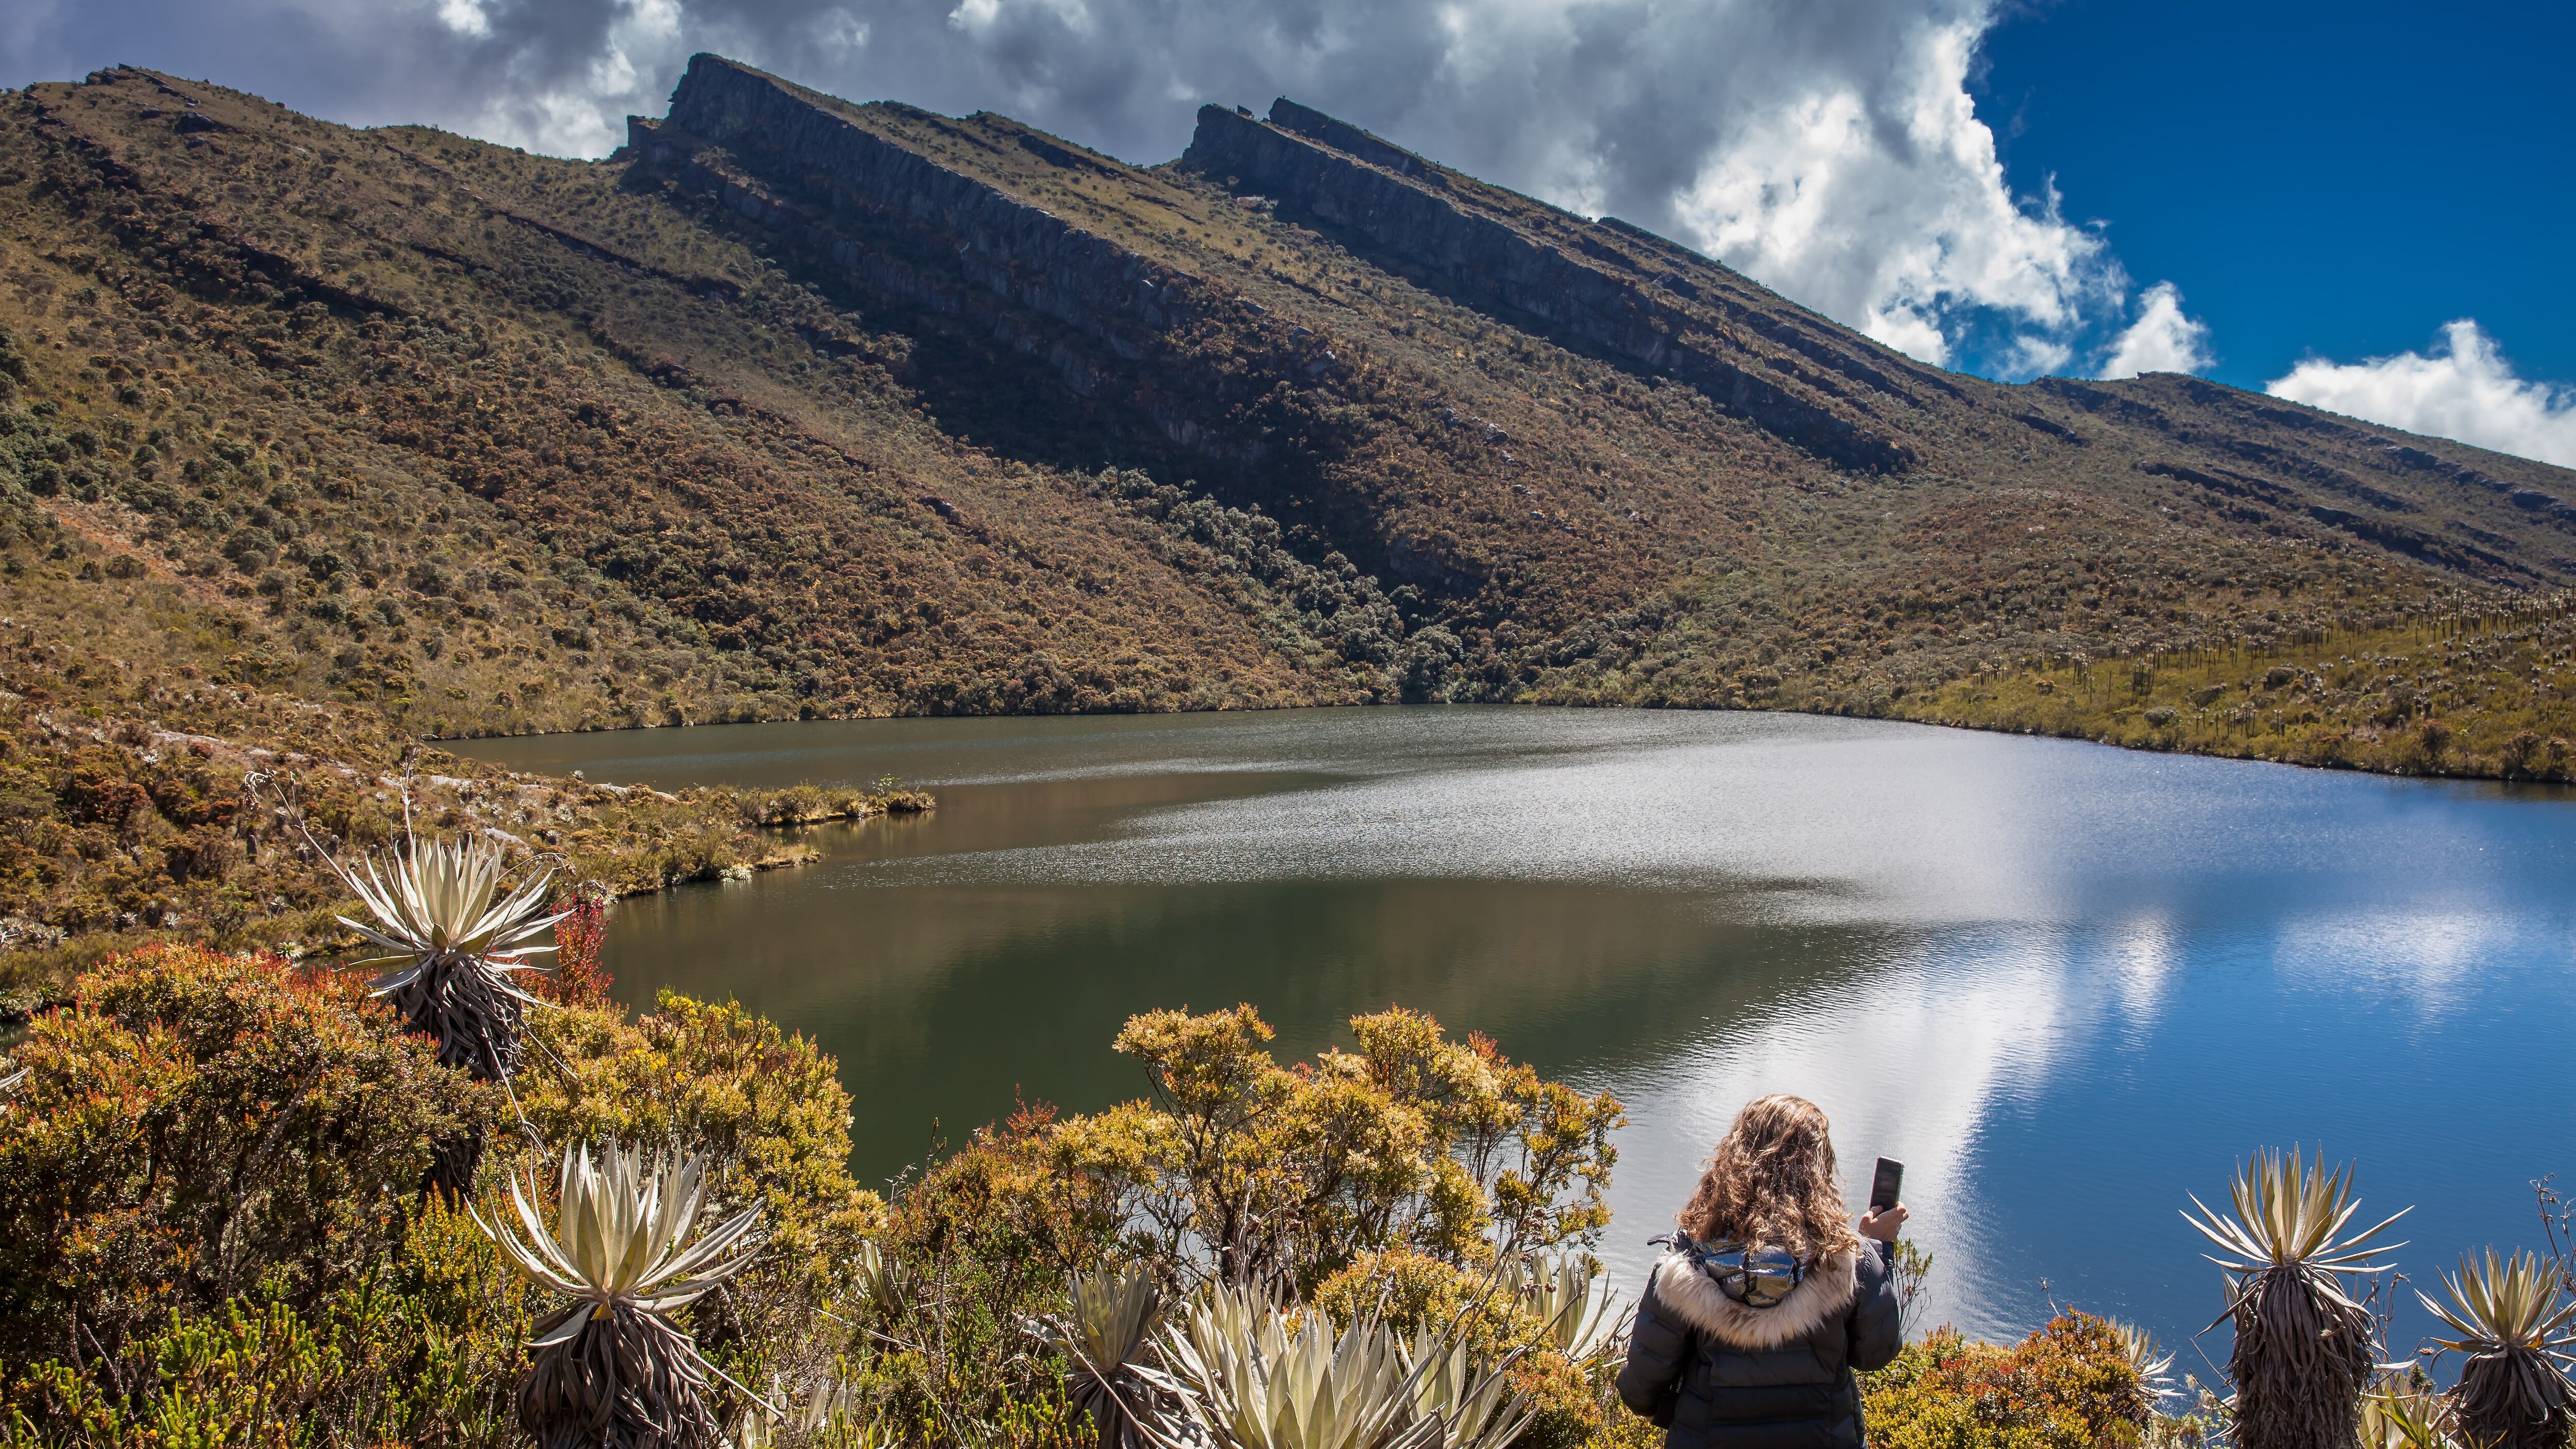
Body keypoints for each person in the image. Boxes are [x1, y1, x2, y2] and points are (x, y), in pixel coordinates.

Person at [1616, 1094, 1907, 1449]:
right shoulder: (1849, 1261)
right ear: (1818, 1169)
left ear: (1733, 1160)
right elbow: (1876, 1353)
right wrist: (1877, 1248)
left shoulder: (1687, 1263)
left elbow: (1640, 1389)